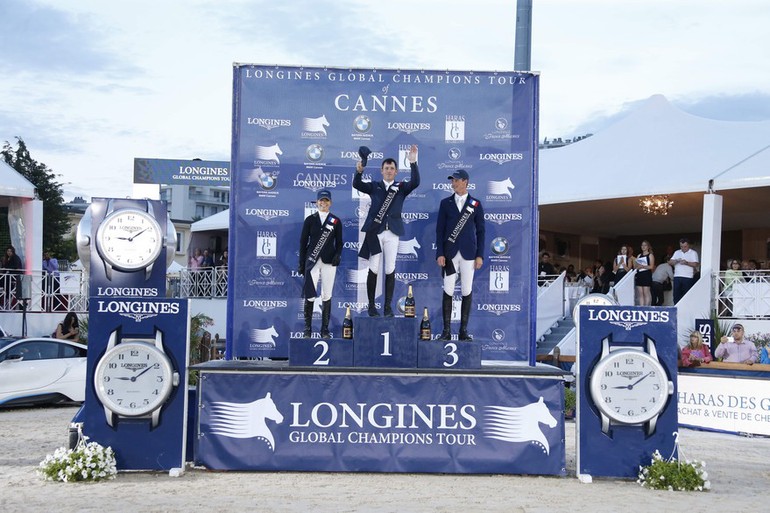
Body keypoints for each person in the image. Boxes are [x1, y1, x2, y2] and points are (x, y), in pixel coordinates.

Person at [354, 144, 420, 317]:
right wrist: (359, 171)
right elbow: (357, 184)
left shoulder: (401, 188)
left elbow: (416, 182)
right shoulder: (374, 186)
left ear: (396, 171)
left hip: (393, 233)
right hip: (375, 232)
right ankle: (371, 305)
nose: (389, 171)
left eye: (392, 168)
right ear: (381, 171)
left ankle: (388, 307)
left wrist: (413, 163)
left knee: (390, 268)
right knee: (374, 268)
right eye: (386, 168)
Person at [435, 169, 485, 341]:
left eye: (456, 180)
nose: (453, 183)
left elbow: (481, 231)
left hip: (469, 254)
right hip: (449, 254)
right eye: (452, 181)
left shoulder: (475, 204)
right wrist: (440, 253)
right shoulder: (445, 203)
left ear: (465, 182)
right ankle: (446, 331)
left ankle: (463, 331)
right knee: (448, 289)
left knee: (466, 290)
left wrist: (480, 255)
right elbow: (439, 230)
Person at [298, 189, 343, 338]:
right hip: (312, 261)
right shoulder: (309, 220)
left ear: (330, 203)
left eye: (326, 201)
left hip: (329, 261)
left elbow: (340, 242)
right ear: (317, 202)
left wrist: (338, 255)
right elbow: (303, 242)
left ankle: (324, 329)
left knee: (327, 294)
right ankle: (307, 329)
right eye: (321, 200)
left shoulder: (336, 221)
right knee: (310, 295)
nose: (323, 203)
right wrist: (301, 263)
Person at [670, 238, 699, 303]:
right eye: (681, 246)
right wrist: (676, 260)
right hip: (677, 276)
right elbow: (670, 262)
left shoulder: (693, 253)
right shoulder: (677, 252)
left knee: (686, 295)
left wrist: (686, 263)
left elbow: (696, 264)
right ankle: (676, 309)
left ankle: (686, 310)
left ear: (688, 245)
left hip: (688, 277)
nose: (683, 248)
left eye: (685, 246)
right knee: (676, 295)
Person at [634, 240, 655, 306]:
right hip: (639, 274)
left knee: (646, 292)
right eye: (642, 245)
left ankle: (647, 307)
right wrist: (638, 267)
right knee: (640, 293)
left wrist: (643, 266)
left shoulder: (650, 255)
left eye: (645, 245)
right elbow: (636, 266)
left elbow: (651, 266)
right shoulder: (639, 255)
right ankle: (641, 307)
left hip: (646, 274)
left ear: (648, 247)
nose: (643, 247)